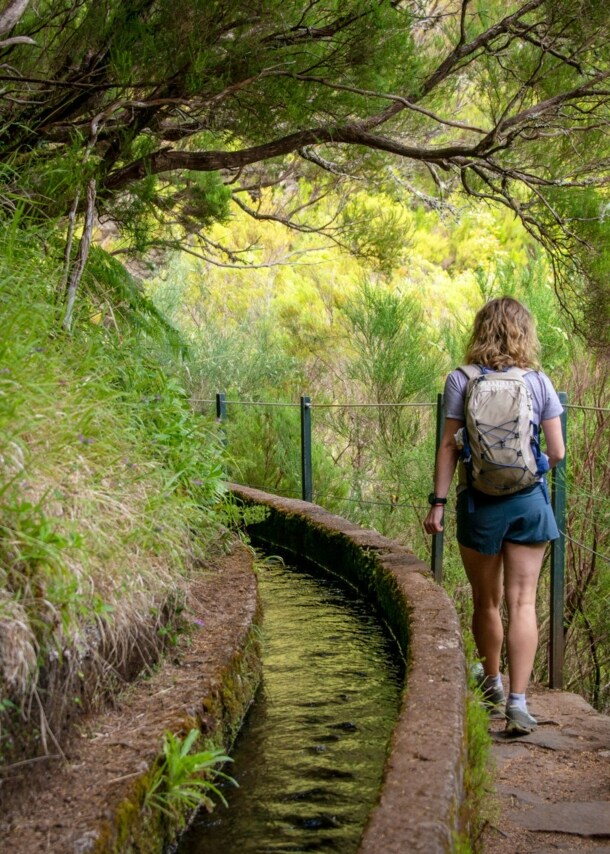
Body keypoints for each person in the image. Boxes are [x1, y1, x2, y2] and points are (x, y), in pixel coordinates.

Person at [423, 296, 565, 736]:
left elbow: (448, 446)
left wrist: (438, 503)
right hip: (528, 504)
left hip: (479, 504)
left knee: (487, 602)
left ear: (480, 330)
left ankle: (493, 683)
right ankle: (519, 706)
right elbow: (558, 452)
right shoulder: (539, 382)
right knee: (524, 602)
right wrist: (532, 468)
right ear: (525, 332)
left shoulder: (460, 380)